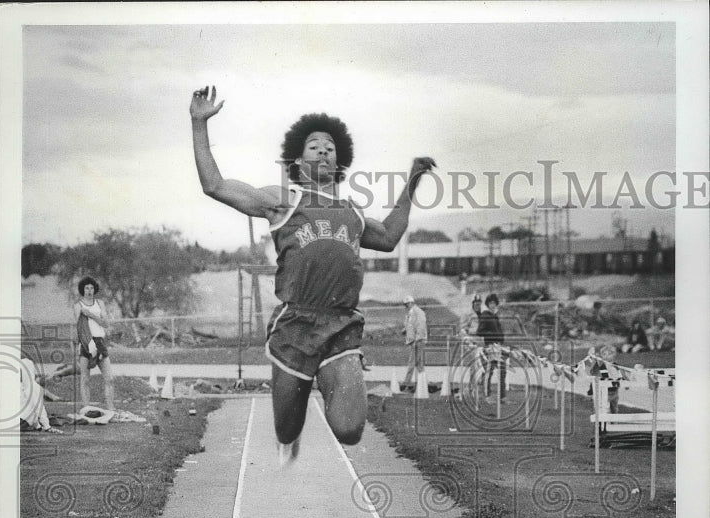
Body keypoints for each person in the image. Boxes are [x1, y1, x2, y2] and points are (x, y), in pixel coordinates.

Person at [190, 85, 435, 462]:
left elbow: (387, 237)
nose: (323, 149)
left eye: (330, 147)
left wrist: (413, 180)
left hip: (341, 325)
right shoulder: (283, 201)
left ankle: (329, 377)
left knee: (351, 432)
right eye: (314, 145)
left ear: (338, 161)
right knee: (286, 431)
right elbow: (216, 185)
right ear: (298, 161)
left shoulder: (351, 211)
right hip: (296, 325)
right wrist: (199, 124)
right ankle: (300, 388)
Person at [72, 277, 115, 409]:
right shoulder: (78, 306)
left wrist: (91, 315)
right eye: (86, 288)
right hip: (86, 343)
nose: (89, 291)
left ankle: (111, 407)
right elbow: (77, 329)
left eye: (91, 288)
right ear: (82, 290)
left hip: (99, 342)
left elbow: (106, 324)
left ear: (94, 289)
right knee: (85, 379)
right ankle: (86, 408)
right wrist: (75, 348)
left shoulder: (100, 303)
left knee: (109, 378)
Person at [478, 293, 506, 401]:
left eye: (494, 303)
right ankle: (487, 395)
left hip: (498, 346)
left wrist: (501, 339)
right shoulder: (485, 315)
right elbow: (480, 332)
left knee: (503, 370)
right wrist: (491, 337)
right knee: (489, 371)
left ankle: (502, 396)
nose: (493, 305)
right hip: (490, 346)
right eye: (490, 303)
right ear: (487, 304)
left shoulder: (495, 316)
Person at [401, 295, 428, 390]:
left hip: (417, 341)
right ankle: (422, 384)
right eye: (405, 305)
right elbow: (411, 325)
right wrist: (405, 330)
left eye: (407, 304)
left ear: (411, 303)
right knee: (419, 364)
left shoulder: (418, 312)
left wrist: (417, 339)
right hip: (414, 341)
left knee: (412, 362)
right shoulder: (410, 313)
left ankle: (405, 383)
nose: (406, 306)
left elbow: (420, 326)